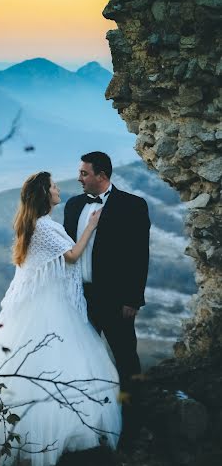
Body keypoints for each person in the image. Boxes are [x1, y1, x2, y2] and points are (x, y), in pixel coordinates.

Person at [0, 171, 121, 466]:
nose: (59, 189)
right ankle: (49, 445)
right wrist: (90, 226)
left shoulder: (37, 224)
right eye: (54, 186)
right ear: (44, 194)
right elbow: (72, 257)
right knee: (55, 366)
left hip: (44, 303)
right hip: (50, 307)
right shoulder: (44, 227)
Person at [64, 152, 151, 393]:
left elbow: (139, 256)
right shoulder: (73, 206)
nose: (79, 178)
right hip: (79, 297)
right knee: (80, 357)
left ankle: (134, 410)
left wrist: (133, 299)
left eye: (84, 173)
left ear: (102, 175)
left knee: (125, 357)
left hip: (115, 299)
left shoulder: (132, 205)